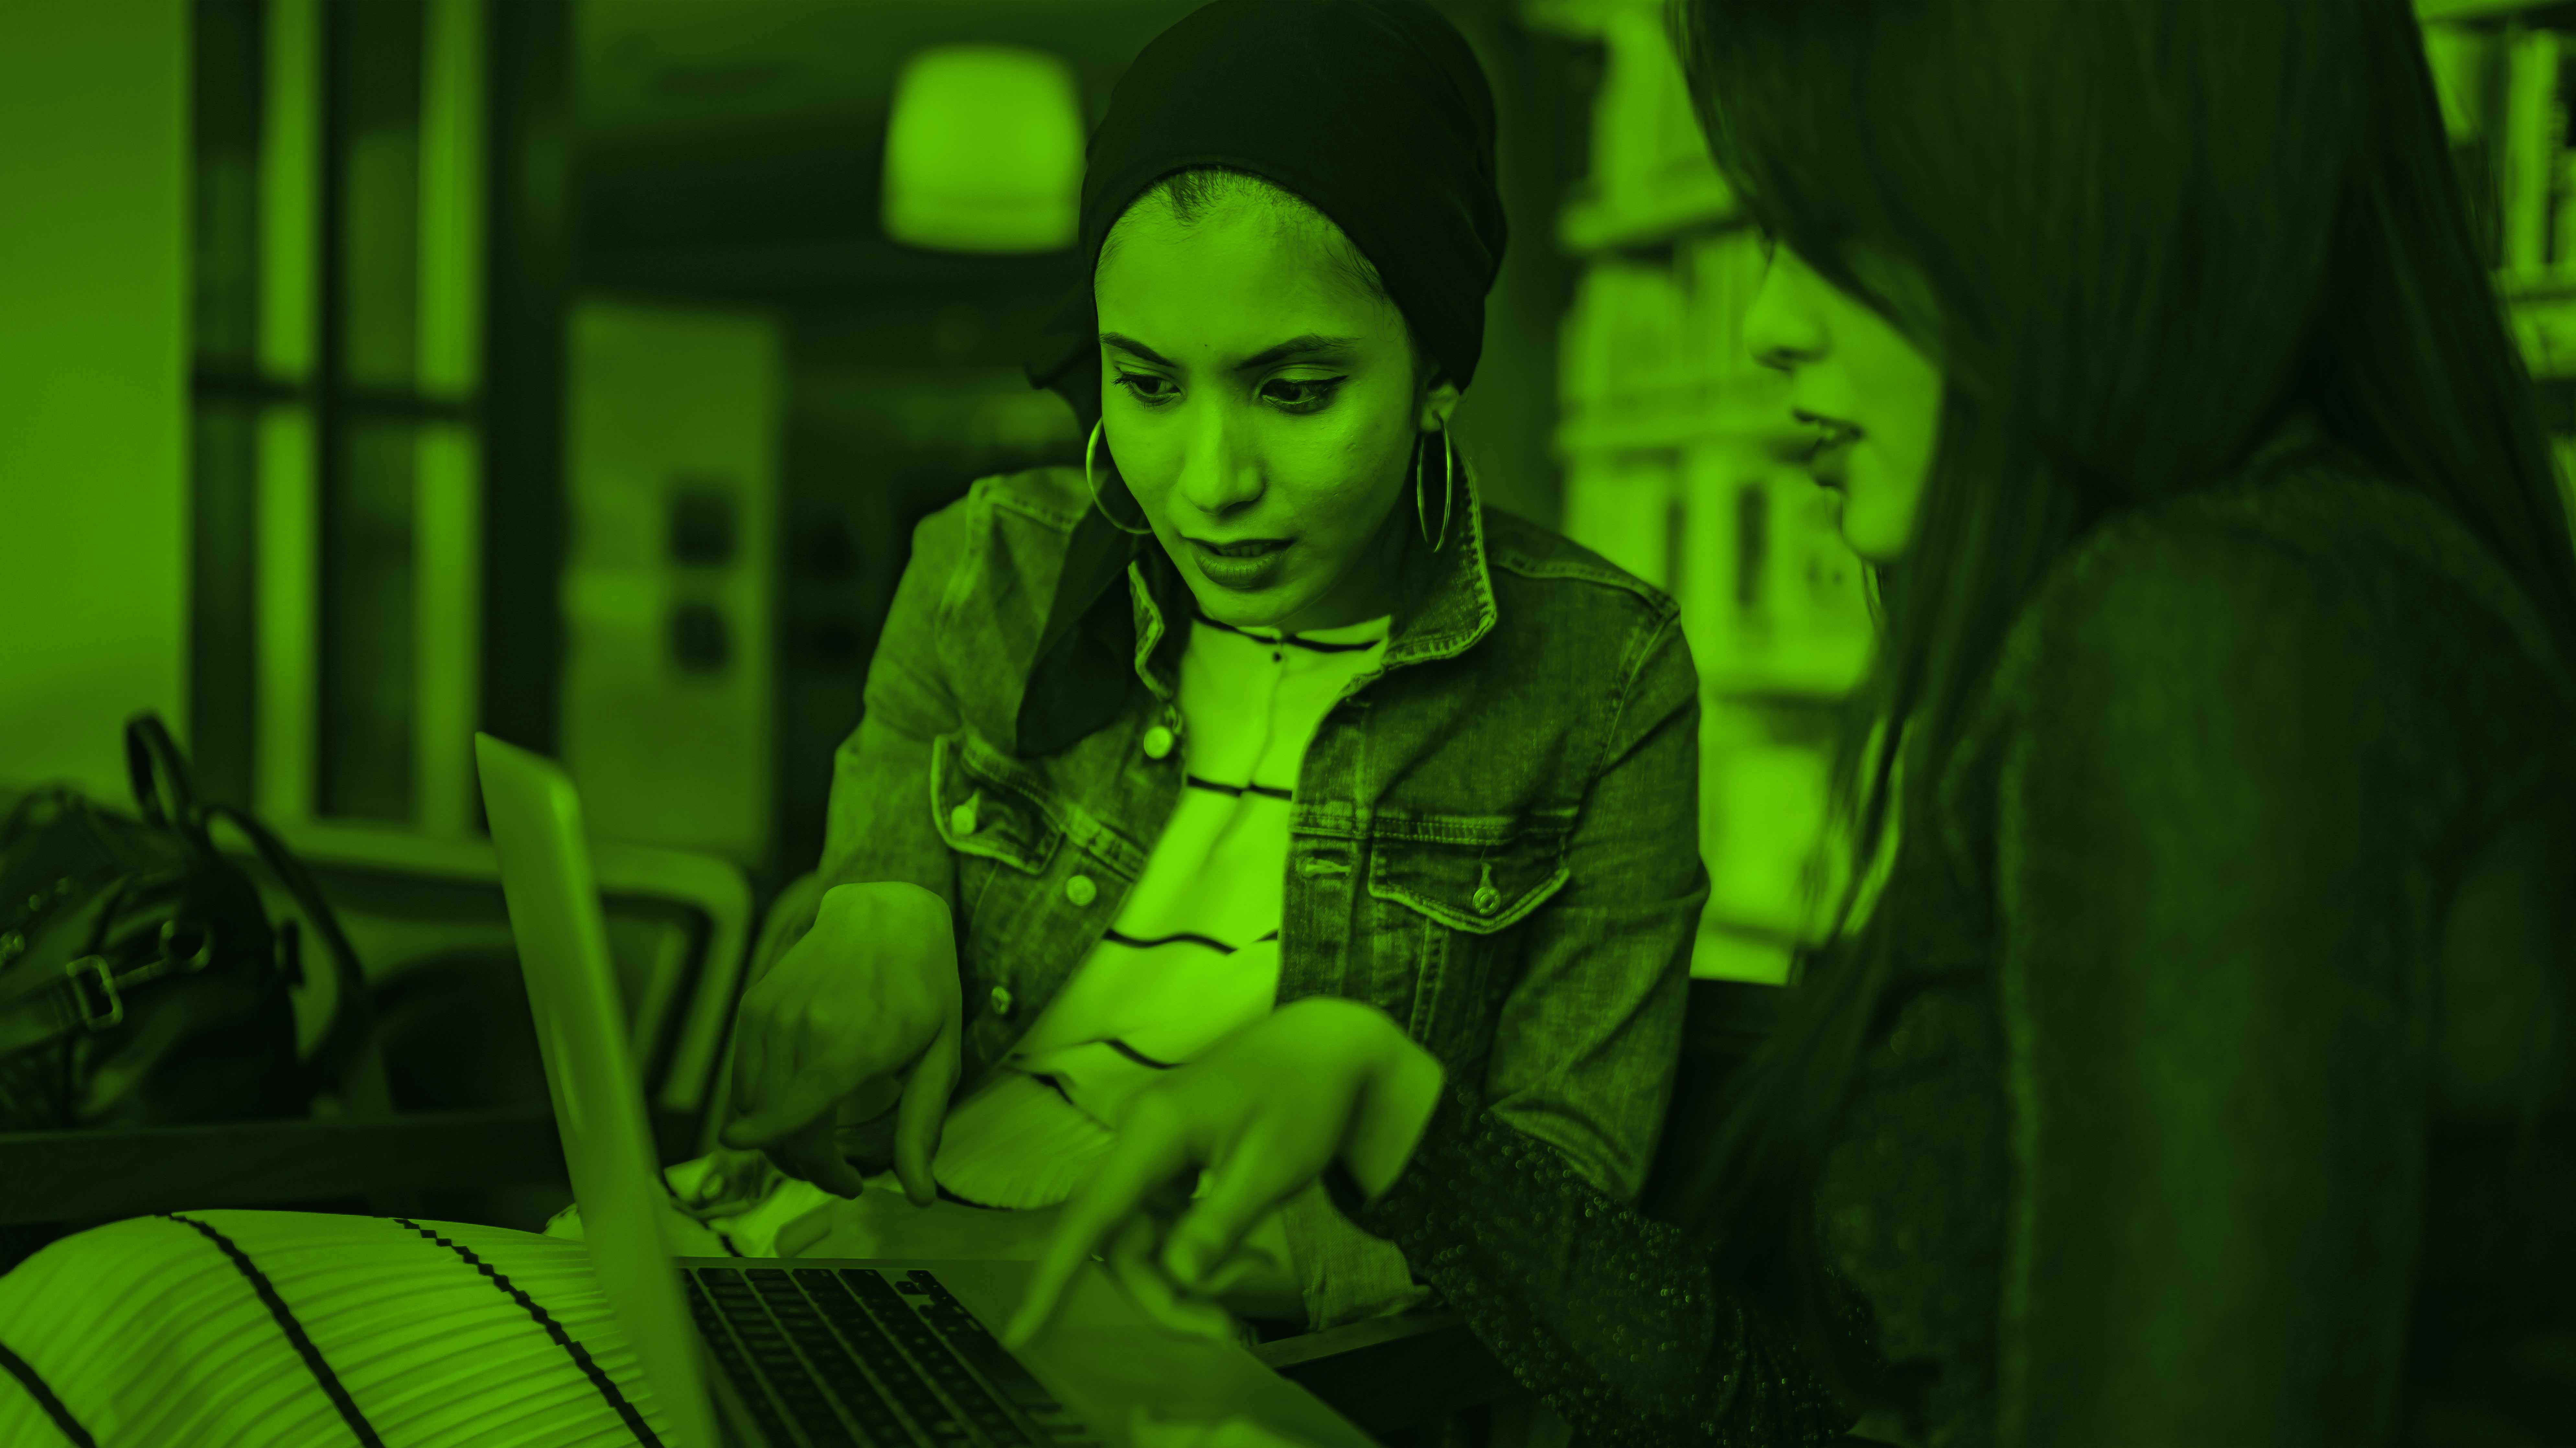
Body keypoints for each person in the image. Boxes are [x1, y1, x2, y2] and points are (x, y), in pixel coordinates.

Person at [0, 1, 1719, 1441]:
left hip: (1193, 1371)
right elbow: (818, 1092)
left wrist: (1127, 1257)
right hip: (854, 1270)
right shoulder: (995, 564)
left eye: (1294, 387)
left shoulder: (1603, 677)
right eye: (1144, 381)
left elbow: (1556, 1250)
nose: (1209, 479)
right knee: (109, 1298)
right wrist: (861, 937)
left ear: (1438, 366)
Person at [1002, 0, 2576, 1445]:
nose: (1764, 324)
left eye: (1824, 231)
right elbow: (1811, 1410)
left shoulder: (2219, 632)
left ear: (2081, 192)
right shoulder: (2292, 593)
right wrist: (1390, 1101)